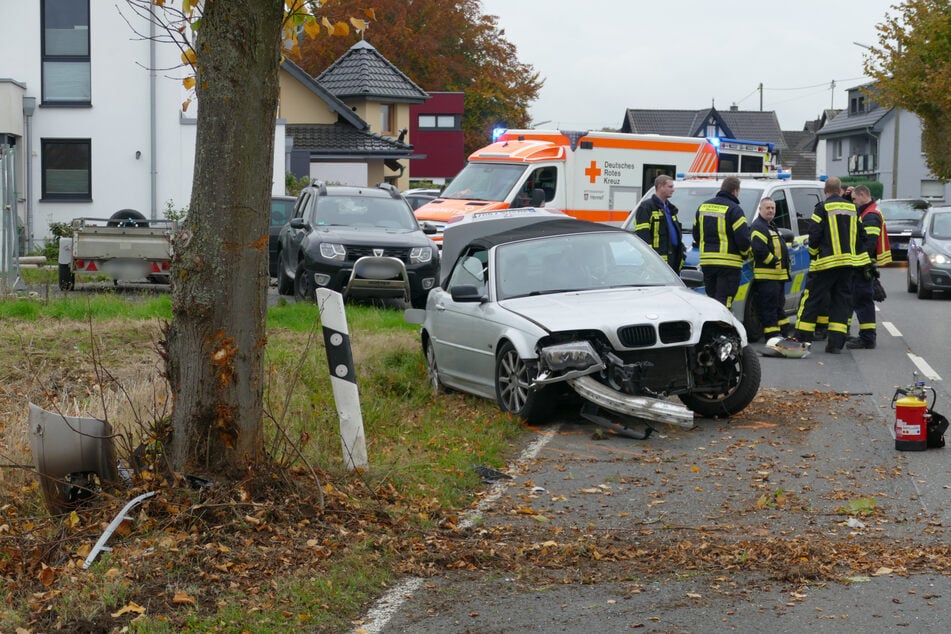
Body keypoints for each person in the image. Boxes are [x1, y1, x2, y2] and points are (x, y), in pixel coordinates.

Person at [795, 177, 868, 353]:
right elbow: (862, 237)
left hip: (825, 265)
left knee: (811, 299)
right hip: (847, 266)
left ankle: (802, 340)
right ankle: (835, 344)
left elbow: (813, 236)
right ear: (840, 191)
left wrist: (814, 257)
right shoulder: (853, 209)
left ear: (826, 192)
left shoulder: (822, 208)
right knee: (841, 303)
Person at [693, 175, 751, 307]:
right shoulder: (735, 210)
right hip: (728, 264)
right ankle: (722, 326)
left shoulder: (703, 207)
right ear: (735, 191)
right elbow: (743, 238)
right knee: (724, 302)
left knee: (712, 300)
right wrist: (745, 253)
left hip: (707, 262)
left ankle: (712, 326)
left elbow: (696, 234)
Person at [846, 185, 892, 349]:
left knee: (863, 302)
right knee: (858, 300)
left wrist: (859, 263)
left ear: (863, 195)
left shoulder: (871, 215)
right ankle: (864, 337)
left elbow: (869, 244)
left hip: (862, 266)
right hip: (862, 265)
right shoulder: (866, 212)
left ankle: (867, 339)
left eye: (855, 199)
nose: (854, 202)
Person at [749, 197, 794, 339]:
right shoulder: (758, 227)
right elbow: (759, 249)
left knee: (779, 306)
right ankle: (772, 336)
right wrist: (773, 261)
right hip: (767, 276)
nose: (770, 210)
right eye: (767, 208)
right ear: (760, 209)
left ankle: (783, 333)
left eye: (773, 208)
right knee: (769, 308)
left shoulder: (771, 226)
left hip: (777, 276)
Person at [633, 174, 686, 273]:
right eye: (670, 187)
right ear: (660, 187)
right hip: (657, 260)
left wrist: (682, 250)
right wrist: (650, 259)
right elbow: (643, 236)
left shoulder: (670, 208)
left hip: (673, 258)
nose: (673, 189)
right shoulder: (646, 207)